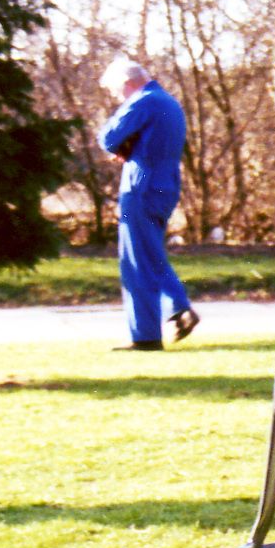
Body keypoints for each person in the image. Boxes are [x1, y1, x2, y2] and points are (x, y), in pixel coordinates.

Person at [99, 58, 199, 351]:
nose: (119, 98)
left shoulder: (144, 100)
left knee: (135, 261)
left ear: (127, 84)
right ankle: (171, 312)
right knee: (149, 254)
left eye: (118, 92)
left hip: (140, 186)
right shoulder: (168, 102)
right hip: (165, 184)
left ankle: (157, 326)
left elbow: (108, 137)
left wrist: (121, 145)